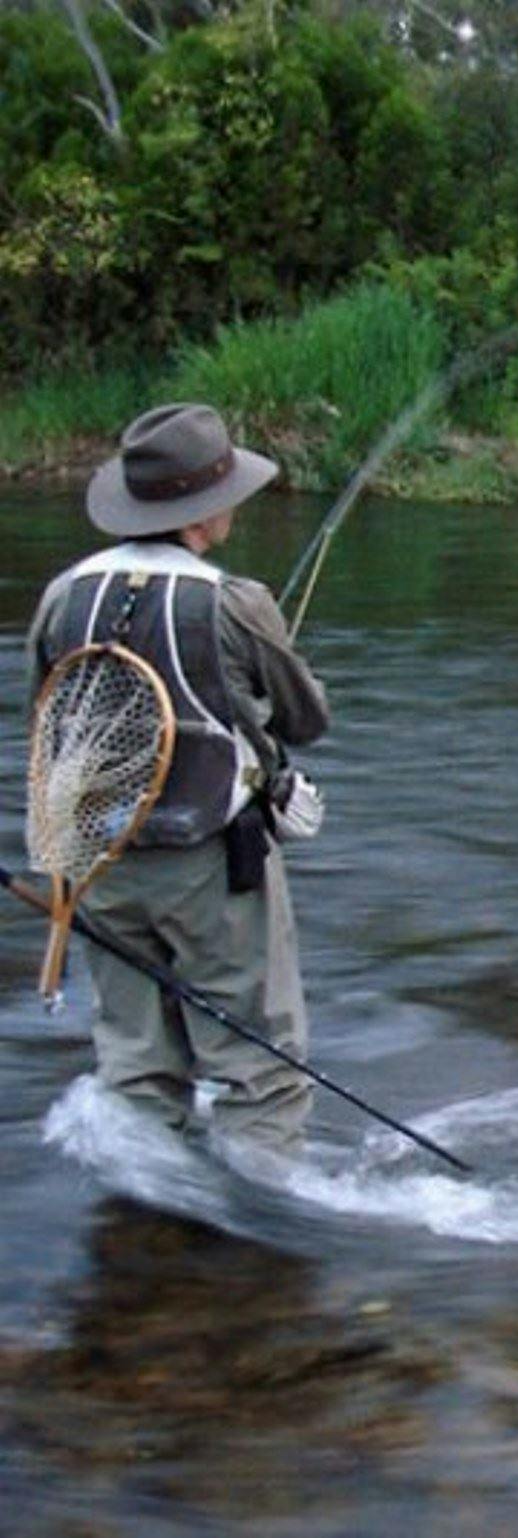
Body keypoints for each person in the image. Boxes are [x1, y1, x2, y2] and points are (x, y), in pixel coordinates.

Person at [24, 403, 330, 1154]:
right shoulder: (235, 602)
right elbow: (306, 721)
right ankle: (254, 1247)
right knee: (261, 1073)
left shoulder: (65, 594)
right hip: (212, 869)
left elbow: (48, 713)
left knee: (134, 1069)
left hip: (97, 861)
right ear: (209, 508)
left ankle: (143, 1235)